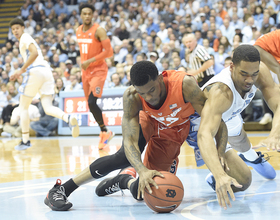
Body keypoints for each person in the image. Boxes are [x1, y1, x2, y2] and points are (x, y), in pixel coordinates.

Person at [45, 61, 251, 211]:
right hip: (150, 122)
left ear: (160, 78)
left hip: (175, 133)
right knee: (123, 156)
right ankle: (62, 189)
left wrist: (220, 151)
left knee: (150, 191)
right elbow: (129, 141)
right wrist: (141, 169)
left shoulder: (184, 84)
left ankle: (124, 181)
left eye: (152, 90)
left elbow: (217, 121)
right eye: (143, 93)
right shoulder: (132, 97)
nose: (149, 97)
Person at [198, 45, 278, 208]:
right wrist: (220, 174)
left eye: (254, 74)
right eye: (244, 74)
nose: (250, 80)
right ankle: (214, 176)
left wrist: (275, 134)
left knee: (241, 139)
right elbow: (204, 134)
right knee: (244, 181)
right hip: (205, 124)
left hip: (230, 115)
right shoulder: (221, 92)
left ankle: (251, 157)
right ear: (232, 67)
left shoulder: (259, 71)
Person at [9, 18, 79, 150]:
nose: (15, 31)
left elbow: (34, 53)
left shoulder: (25, 37)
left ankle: (25, 141)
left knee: (23, 107)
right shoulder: (25, 38)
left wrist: (21, 70)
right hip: (47, 71)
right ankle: (68, 118)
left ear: (23, 28)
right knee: (47, 107)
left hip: (36, 71)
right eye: (13, 29)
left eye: (17, 28)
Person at [76, 4, 114, 150]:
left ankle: (105, 131)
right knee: (89, 104)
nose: (87, 16)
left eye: (89, 14)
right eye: (84, 13)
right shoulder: (78, 30)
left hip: (98, 70)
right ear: (81, 15)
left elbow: (109, 52)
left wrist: (90, 61)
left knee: (92, 102)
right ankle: (104, 131)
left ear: (93, 15)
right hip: (85, 72)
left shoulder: (99, 30)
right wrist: (83, 63)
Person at [253, 30, 280, 126]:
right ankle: (268, 114)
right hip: (260, 51)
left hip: (267, 53)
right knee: (277, 70)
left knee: (270, 86)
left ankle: (268, 114)